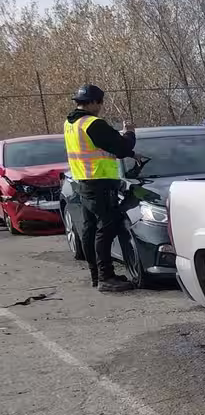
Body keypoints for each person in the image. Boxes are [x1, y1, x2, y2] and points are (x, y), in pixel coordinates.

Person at [64, 84, 137, 292]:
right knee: (108, 226)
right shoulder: (92, 124)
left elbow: (102, 148)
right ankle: (106, 277)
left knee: (90, 229)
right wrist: (130, 133)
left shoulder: (71, 123)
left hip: (83, 182)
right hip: (100, 183)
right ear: (94, 102)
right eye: (100, 103)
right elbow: (121, 147)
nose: (101, 107)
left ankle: (97, 275)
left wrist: (132, 155)